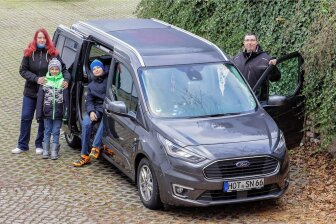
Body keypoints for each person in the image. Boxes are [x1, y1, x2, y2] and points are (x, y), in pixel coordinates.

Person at [12, 28, 70, 154]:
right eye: (39, 38)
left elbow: (64, 70)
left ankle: (40, 144)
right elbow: (23, 70)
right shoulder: (29, 53)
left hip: (47, 93)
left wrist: (66, 80)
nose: (41, 40)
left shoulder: (53, 53)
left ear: (47, 39)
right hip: (30, 91)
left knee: (43, 118)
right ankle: (22, 145)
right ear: (35, 39)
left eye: (44, 38)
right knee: (26, 117)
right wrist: (36, 79)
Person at [73, 59, 107, 167]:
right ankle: (84, 156)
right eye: (94, 69)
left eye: (98, 67)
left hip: (106, 108)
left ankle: (96, 147)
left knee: (105, 122)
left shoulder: (109, 79)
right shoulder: (92, 85)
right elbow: (89, 101)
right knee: (86, 123)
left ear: (103, 68)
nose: (96, 70)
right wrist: (91, 112)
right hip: (96, 108)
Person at [36, 58, 69, 160]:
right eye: (52, 69)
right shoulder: (45, 82)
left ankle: (54, 150)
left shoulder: (62, 83)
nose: (54, 71)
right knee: (47, 131)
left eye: (56, 69)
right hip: (47, 114)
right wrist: (38, 114)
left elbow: (66, 101)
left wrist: (66, 114)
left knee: (56, 132)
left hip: (58, 114)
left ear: (59, 70)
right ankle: (46, 150)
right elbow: (40, 100)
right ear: (49, 70)